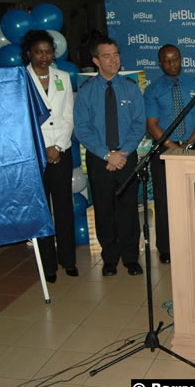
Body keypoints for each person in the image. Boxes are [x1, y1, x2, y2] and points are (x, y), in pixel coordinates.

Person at [74, 36, 146, 277]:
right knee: (104, 209)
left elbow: (138, 124)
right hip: (99, 159)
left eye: (116, 54)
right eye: (107, 56)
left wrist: (122, 153)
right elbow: (82, 129)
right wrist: (108, 155)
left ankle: (131, 258)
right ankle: (110, 259)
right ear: (96, 60)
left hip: (126, 158)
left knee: (128, 209)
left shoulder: (130, 88)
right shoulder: (85, 92)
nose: (113, 60)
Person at [22, 30, 78, 283]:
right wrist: (44, 148)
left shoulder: (63, 77)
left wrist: (57, 147)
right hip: (35, 154)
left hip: (61, 151)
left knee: (64, 206)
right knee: (42, 209)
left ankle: (68, 259)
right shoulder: (20, 79)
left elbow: (68, 115)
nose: (44, 56)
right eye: (38, 52)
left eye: (48, 51)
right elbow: (21, 119)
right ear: (29, 53)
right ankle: (48, 265)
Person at [144, 44, 195, 264]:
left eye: (175, 59)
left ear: (182, 59)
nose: (172, 64)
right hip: (163, 150)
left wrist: (188, 145)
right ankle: (166, 248)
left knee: (194, 199)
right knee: (164, 201)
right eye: (166, 60)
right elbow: (152, 124)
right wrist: (172, 146)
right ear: (160, 63)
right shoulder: (152, 89)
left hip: (193, 148)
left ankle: (194, 243)